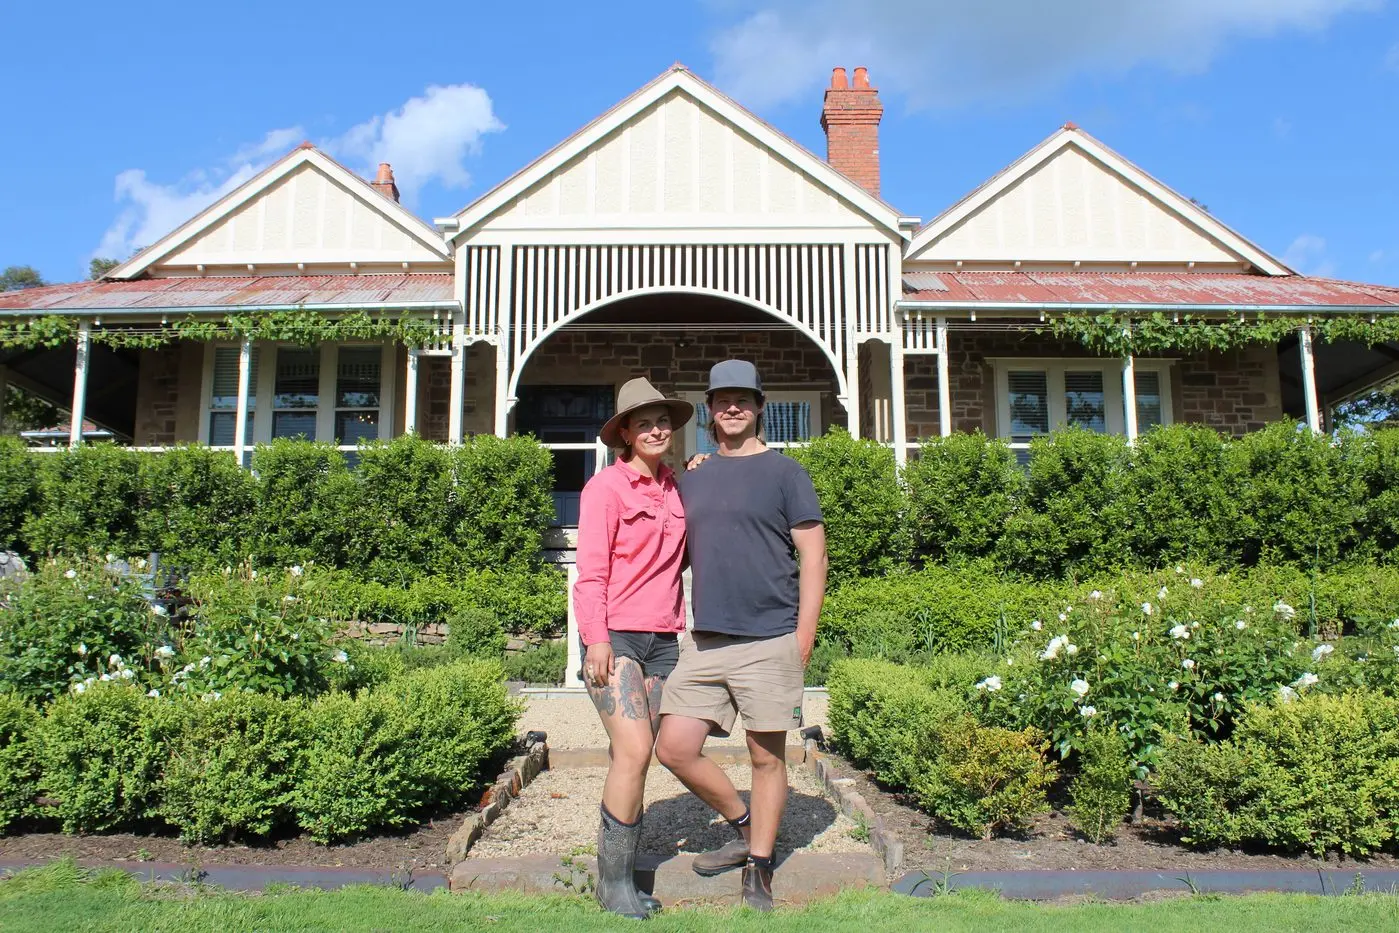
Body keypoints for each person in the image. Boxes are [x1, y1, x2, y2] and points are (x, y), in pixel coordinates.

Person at [656, 359, 828, 912]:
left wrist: (805, 634)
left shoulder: (786, 472)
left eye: (743, 400)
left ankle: (759, 867)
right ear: (709, 410)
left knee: (765, 758)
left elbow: (814, 554)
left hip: (768, 639)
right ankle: (748, 825)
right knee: (674, 747)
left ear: (758, 407)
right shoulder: (694, 476)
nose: (733, 407)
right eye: (722, 400)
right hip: (704, 641)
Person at [572, 377, 694, 919]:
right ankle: (614, 882)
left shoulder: (677, 489)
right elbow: (590, 573)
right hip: (616, 636)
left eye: (661, 421)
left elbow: (682, 558)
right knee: (633, 751)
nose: (655, 429)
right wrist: (596, 639)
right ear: (624, 432)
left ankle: (624, 872)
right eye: (642, 422)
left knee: (663, 749)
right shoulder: (605, 489)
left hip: (664, 638)